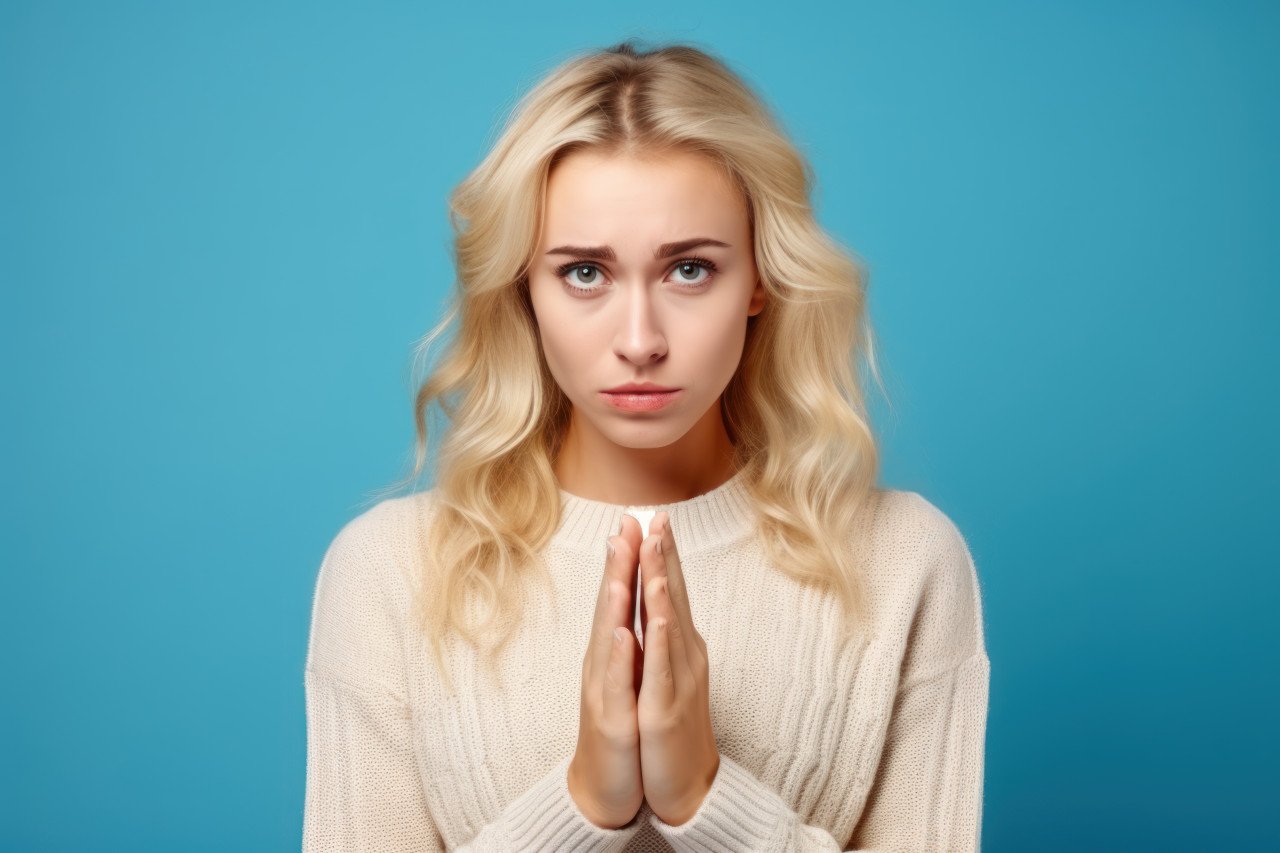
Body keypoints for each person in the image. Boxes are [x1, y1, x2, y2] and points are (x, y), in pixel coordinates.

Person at [302, 39, 990, 852]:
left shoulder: (904, 561)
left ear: (761, 277)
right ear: (523, 284)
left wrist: (707, 795)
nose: (639, 340)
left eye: (690, 269)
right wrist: (583, 804)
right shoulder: (390, 573)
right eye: (584, 272)